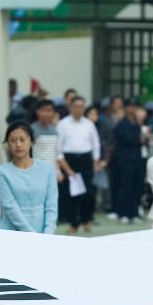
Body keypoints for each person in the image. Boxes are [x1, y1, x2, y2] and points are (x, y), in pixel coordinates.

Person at [0, 121, 57, 305]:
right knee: (12, 297)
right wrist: (32, 237)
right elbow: (10, 207)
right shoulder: (1, 172)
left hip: (43, 239)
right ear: (7, 145)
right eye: (13, 141)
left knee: (41, 298)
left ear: (31, 141)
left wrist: (47, 235)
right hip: (14, 238)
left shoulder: (47, 169)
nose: (18, 145)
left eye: (22, 139)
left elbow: (51, 204)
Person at [56, 95, 102, 234]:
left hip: (86, 160)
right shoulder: (62, 124)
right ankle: (73, 223)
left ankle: (86, 219)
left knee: (88, 193)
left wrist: (96, 161)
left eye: (82, 107)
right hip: (69, 160)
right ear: (70, 107)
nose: (79, 109)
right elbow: (58, 147)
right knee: (71, 194)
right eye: (76, 106)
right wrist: (65, 167)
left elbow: (96, 144)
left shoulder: (89, 124)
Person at [110, 103, 147, 223]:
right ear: (126, 108)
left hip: (137, 159)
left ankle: (134, 213)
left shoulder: (136, 123)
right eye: (131, 107)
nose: (133, 109)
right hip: (125, 160)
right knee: (125, 186)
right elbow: (130, 140)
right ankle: (123, 213)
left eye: (135, 107)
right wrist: (140, 139)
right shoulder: (122, 124)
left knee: (137, 187)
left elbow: (140, 140)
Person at [31, 98, 60, 163]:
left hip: (52, 169)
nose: (46, 114)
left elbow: (58, 154)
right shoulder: (31, 129)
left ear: (53, 113)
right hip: (37, 168)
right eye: (43, 110)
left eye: (49, 110)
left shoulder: (54, 130)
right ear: (37, 112)